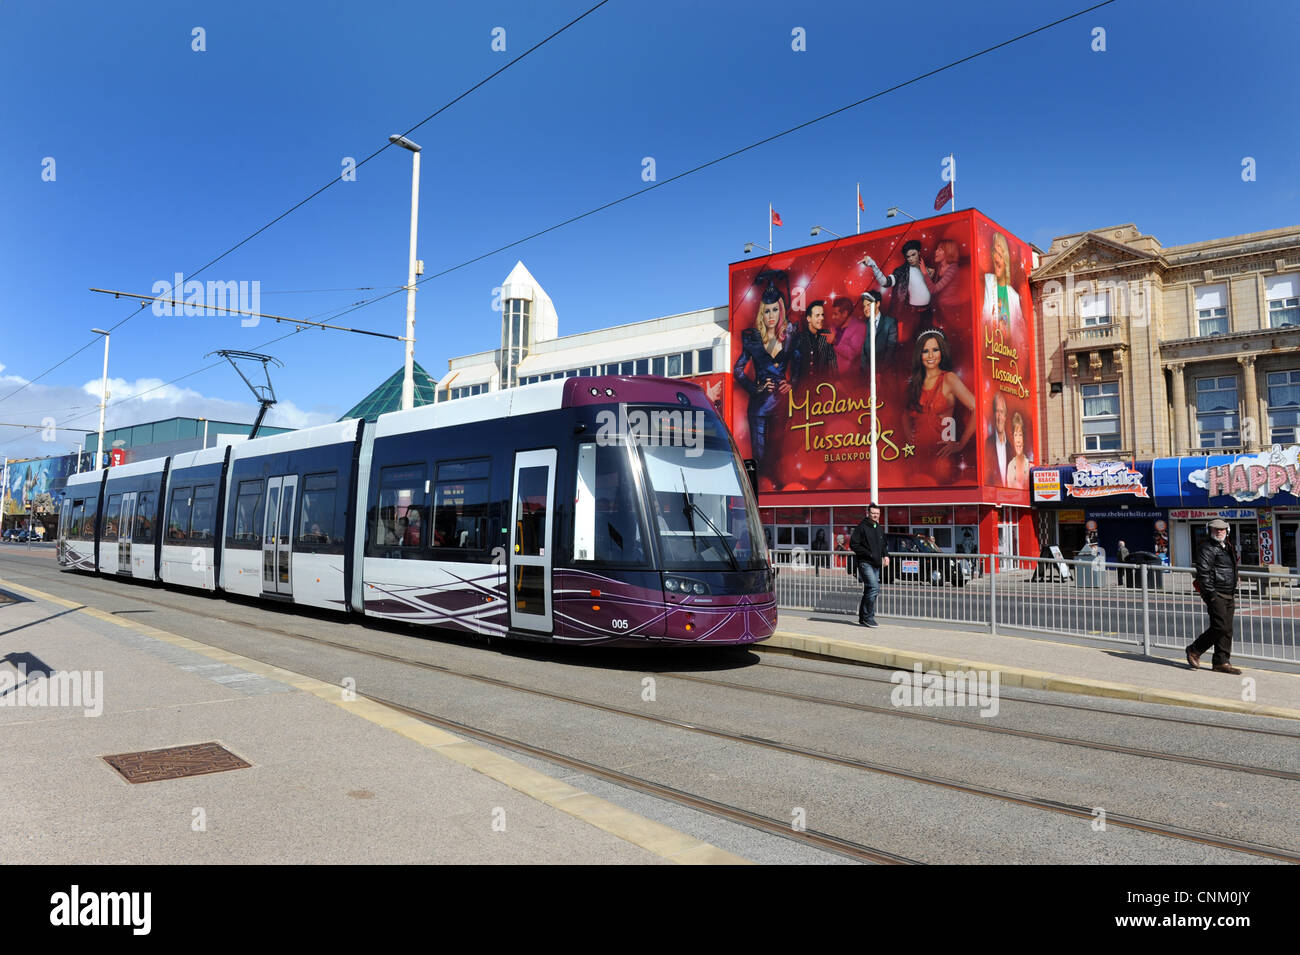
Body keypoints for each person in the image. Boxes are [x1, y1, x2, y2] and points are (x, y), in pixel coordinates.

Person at [902, 331, 977, 480]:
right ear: (919, 354)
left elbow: (977, 408)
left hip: (941, 458)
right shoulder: (915, 383)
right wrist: (910, 439)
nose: (930, 355)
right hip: (917, 457)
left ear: (942, 351)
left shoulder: (949, 379)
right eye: (925, 351)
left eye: (935, 350)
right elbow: (905, 415)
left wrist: (960, 444)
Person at [733, 280, 792, 464]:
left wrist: (792, 383)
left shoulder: (789, 335)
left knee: (778, 458)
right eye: (767, 311)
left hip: (781, 406)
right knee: (760, 461)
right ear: (762, 314)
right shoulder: (753, 339)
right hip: (758, 407)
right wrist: (756, 388)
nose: (771, 315)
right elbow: (738, 369)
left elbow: (798, 360)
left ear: (780, 310)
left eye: (775, 310)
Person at [1186, 520, 1243, 674]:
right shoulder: (1207, 548)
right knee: (1220, 626)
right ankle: (1194, 649)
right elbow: (1203, 573)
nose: (1219, 532)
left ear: (1227, 530)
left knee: (1227, 629)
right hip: (1216, 593)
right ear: (1209, 530)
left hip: (1228, 592)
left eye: (1222, 529)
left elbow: (1229, 567)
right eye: (1215, 529)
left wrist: (1235, 578)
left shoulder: (1227, 546)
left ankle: (1221, 662)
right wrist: (1211, 595)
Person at [864, 240, 935, 345]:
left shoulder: (928, 269)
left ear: (919, 253)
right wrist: (873, 265)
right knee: (911, 346)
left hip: (928, 312)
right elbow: (885, 282)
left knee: (930, 343)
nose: (911, 259)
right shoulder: (901, 271)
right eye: (908, 256)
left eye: (913, 255)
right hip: (911, 315)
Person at [982, 232, 1026, 342]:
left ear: (1006, 261)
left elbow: (1021, 334)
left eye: (1000, 255)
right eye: (994, 253)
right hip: (989, 346)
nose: (996, 259)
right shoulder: (985, 282)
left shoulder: (1014, 297)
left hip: (1007, 351)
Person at [850, 503, 889, 627]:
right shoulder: (861, 527)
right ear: (868, 513)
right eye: (873, 513)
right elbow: (854, 545)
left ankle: (863, 617)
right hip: (865, 563)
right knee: (874, 588)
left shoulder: (878, 527)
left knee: (869, 590)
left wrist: (886, 555)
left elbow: (883, 544)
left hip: (876, 563)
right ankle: (868, 617)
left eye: (877, 513)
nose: (875, 515)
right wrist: (869, 554)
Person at [790, 300, 838, 385]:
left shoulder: (827, 335)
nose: (822, 318)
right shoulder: (800, 338)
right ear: (808, 319)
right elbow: (795, 368)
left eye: (822, 315)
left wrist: (836, 383)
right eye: (817, 315)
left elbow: (832, 362)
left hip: (823, 388)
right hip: (803, 390)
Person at [928, 238, 963, 332]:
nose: (936, 252)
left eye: (939, 250)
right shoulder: (939, 268)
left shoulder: (953, 268)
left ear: (948, 252)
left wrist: (924, 272)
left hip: (948, 311)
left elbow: (934, 289)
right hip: (938, 310)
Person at [984, 392, 1010, 485]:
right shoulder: (987, 444)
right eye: (997, 411)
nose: (999, 417)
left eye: (1001, 412)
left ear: (1005, 417)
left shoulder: (1011, 447)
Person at [1006, 412, 1031, 489]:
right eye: (1015, 435)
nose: (1018, 440)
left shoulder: (1030, 465)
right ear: (1013, 439)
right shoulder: (1010, 466)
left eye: (1020, 435)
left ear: (1024, 438)